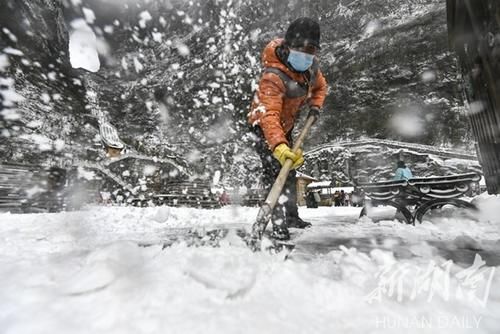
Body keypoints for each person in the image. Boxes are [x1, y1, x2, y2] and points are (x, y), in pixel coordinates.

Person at [247, 18, 328, 240]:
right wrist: (279, 146)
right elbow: (269, 115)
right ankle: (277, 222)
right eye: (300, 47)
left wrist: (315, 108)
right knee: (275, 173)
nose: (305, 53)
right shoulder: (272, 77)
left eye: (311, 49)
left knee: (289, 173)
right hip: (263, 127)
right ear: (287, 46)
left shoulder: (311, 68)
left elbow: (321, 87)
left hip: (286, 125)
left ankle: (291, 216)